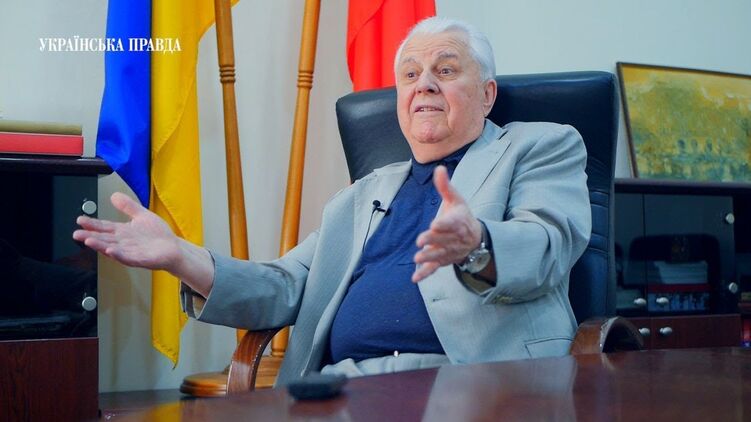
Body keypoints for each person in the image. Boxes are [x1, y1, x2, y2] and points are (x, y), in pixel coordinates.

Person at [74, 17, 591, 384]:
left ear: (488, 94)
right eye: (410, 75)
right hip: (341, 388)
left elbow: (548, 244)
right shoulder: (361, 194)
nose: (425, 85)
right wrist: (181, 257)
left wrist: (478, 245)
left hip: (474, 383)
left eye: (447, 70)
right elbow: (286, 285)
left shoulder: (539, 146)